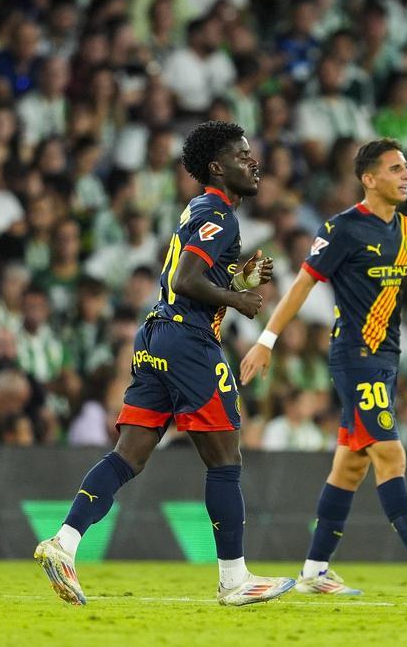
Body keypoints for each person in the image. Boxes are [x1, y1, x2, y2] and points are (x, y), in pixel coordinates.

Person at [34, 121, 292, 608]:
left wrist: (236, 276)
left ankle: (63, 543)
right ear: (216, 168)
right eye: (242, 156)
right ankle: (234, 578)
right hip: (190, 343)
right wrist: (236, 299)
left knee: (128, 454)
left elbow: (194, 274)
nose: (253, 162)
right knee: (225, 459)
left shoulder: (198, 209)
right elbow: (186, 277)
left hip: (156, 336)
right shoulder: (220, 213)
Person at [240, 138, 407, 596]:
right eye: (395, 169)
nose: (406, 175)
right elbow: (300, 285)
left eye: (406, 168)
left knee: (350, 466)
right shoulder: (343, 229)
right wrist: (266, 341)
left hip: (387, 358)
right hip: (355, 356)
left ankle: (314, 570)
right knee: (390, 454)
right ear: (369, 179)